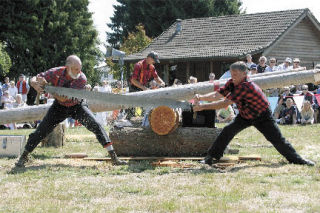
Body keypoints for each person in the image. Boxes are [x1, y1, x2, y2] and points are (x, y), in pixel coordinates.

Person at [193, 61, 314, 166]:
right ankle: (211, 157)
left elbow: (225, 103)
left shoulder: (245, 86)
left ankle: (298, 160)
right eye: (232, 74)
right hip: (245, 115)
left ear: (244, 74)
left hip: (262, 116)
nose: (233, 77)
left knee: (276, 139)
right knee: (227, 131)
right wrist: (201, 96)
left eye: (236, 75)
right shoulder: (232, 82)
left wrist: (202, 106)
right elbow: (218, 94)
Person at [15, 55, 127, 167]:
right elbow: (35, 78)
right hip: (59, 107)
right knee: (41, 130)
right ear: (67, 67)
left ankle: (114, 157)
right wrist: (35, 83)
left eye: (80, 68)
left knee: (96, 125)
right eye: (76, 69)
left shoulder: (82, 78)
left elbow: (64, 98)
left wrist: (47, 88)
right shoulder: (56, 72)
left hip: (77, 106)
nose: (79, 71)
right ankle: (24, 156)